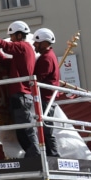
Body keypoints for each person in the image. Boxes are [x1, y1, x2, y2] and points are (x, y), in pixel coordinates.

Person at [0, 21, 58, 158]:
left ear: (19, 35)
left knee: (26, 129)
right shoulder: (24, 51)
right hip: (21, 95)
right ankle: (35, 155)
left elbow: (7, 47)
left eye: (12, 36)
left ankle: (36, 156)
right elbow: (9, 63)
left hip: (21, 95)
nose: (11, 39)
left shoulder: (23, 46)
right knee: (23, 129)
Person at [31, 28, 62, 157]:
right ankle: (51, 155)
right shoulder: (49, 56)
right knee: (45, 127)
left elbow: (38, 77)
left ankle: (54, 156)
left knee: (46, 128)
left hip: (45, 98)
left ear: (44, 43)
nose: (34, 45)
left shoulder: (46, 58)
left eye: (36, 43)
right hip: (47, 97)